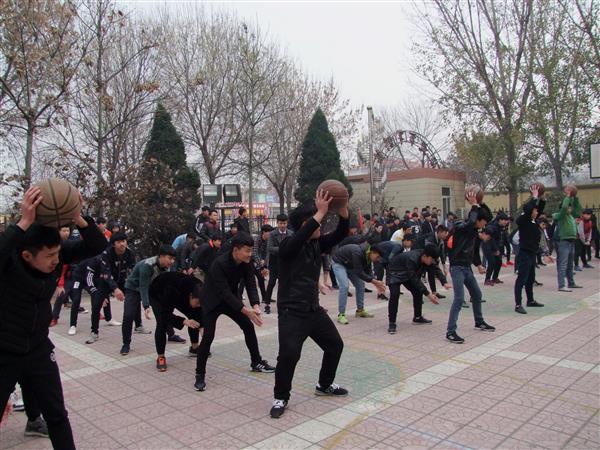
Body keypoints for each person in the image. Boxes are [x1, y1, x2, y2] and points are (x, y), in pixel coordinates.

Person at [0, 186, 106, 449]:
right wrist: (24, 222)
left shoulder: (56, 253)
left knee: (57, 415)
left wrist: (78, 217)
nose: (56, 261)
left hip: (38, 348)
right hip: (5, 350)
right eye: (49, 256)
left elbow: (97, 244)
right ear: (27, 256)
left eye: (58, 254)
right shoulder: (9, 262)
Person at [270, 190, 351, 419]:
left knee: (335, 345)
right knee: (288, 355)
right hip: (291, 313)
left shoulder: (316, 244)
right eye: (317, 221)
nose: (321, 225)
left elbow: (340, 234)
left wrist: (343, 211)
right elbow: (298, 238)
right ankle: (281, 397)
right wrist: (320, 212)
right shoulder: (288, 245)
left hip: (313, 310)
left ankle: (324, 385)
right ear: (305, 224)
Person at [194, 232, 275, 392]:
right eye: (247, 250)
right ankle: (199, 374)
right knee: (208, 336)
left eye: (251, 250)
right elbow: (223, 291)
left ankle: (256, 362)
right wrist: (245, 310)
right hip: (212, 301)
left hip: (230, 299)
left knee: (248, 326)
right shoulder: (219, 264)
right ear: (236, 250)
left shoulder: (246, 262)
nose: (250, 254)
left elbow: (251, 283)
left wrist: (256, 305)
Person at [445, 192, 495, 344]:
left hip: (466, 267)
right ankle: (450, 331)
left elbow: (489, 217)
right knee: (459, 299)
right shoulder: (461, 226)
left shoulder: (473, 231)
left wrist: (480, 203)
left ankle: (479, 322)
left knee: (477, 294)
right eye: (482, 223)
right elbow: (471, 221)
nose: (484, 226)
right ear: (477, 220)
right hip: (457, 268)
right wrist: (473, 205)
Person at [119, 245, 176, 355]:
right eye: (170, 258)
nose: (172, 261)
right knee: (128, 315)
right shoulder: (148, 265)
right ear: (161, 256)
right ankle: (126, 343)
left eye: (173, 259)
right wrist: (146, 306)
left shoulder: (166, 266)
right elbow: (143, 286)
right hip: (133, 288)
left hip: (151, 288)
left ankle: (171, 334)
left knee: (163, 310)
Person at [387, 244, 448, 334]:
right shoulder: (412, 259)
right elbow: (414, 279)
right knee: (395, 295)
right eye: (431, 259)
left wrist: (444, 282)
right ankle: (392, 323)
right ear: (425, 256)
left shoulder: (428, 258)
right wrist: (428, 294)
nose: (432, 262)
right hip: (394, 272)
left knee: (418, 291)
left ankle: (417, 317)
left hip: (408, 274)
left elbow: (436, 268)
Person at [149, 272, 203, 372]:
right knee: (162, 323)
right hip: (158, 293)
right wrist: (184, 321)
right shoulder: (170, 291)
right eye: (198, 303)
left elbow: (201, 312)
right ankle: (161, 357)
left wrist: (203, 327)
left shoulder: (201, 288)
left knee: (195, 315)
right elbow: (165, 315)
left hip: (180, 293)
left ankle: (194, 348)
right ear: (191, 296)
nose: (199, 305)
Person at [331, 242, 385, 324]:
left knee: (360, 285)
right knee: (344, 286)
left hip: (350, 265)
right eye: (377, 257)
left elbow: (368, 271)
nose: (377, 259)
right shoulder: (358, 252)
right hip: (339, 263)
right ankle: (341, 314)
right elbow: (359, 272)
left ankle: (360, 311)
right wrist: (375, 282)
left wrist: (376, 283)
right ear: (372, 252)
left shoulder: (368, 255)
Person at [514, 186, 548, 313]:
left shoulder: (534, 221)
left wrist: (541, 198)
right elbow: (528, 209)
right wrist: (534, 196)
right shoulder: (523, 220)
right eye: (534, 210)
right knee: (522, 279)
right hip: (524, 253)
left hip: (532, 253)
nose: (536, 212)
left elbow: (540, 208)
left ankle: (530, 300)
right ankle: (518, 304)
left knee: (530, 278)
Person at [553, 188, 583, 292]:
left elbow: (578, 210)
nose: (570, 208)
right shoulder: (561, 216)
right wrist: (568, 196)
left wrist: (575, 198)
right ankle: (561, 285)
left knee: (570, 264)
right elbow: (565, 207)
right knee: (563, 264)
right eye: (569, 207)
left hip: (571, 241)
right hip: (564, 242)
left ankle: (571, 283)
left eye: (570, 207)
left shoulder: (571, 216)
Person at [265, 214, 292, 313]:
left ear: (287, 223)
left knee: (284, 284)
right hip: (275, 262)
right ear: (277, 223)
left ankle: (284, 304)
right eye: (280, 223)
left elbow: (293, 247)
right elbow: (270, 248)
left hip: (286, 263)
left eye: (284, 223)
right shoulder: (272, 234)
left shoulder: (291, 233)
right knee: (271, 283)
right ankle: (267, 304)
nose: (282, 225)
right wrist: (283, 249)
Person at [251, 224, 273, 309]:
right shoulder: (256, 239)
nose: (270, 234)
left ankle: (264, 297)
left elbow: (268, 253)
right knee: (244, 280)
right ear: (264, 232)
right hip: (251, 261)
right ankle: (239, 296)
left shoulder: (268, 240)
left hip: (260, 262)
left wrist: (265, 263)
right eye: (269, 232)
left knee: (261, 278)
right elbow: (254, 253)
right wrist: (260, 262)